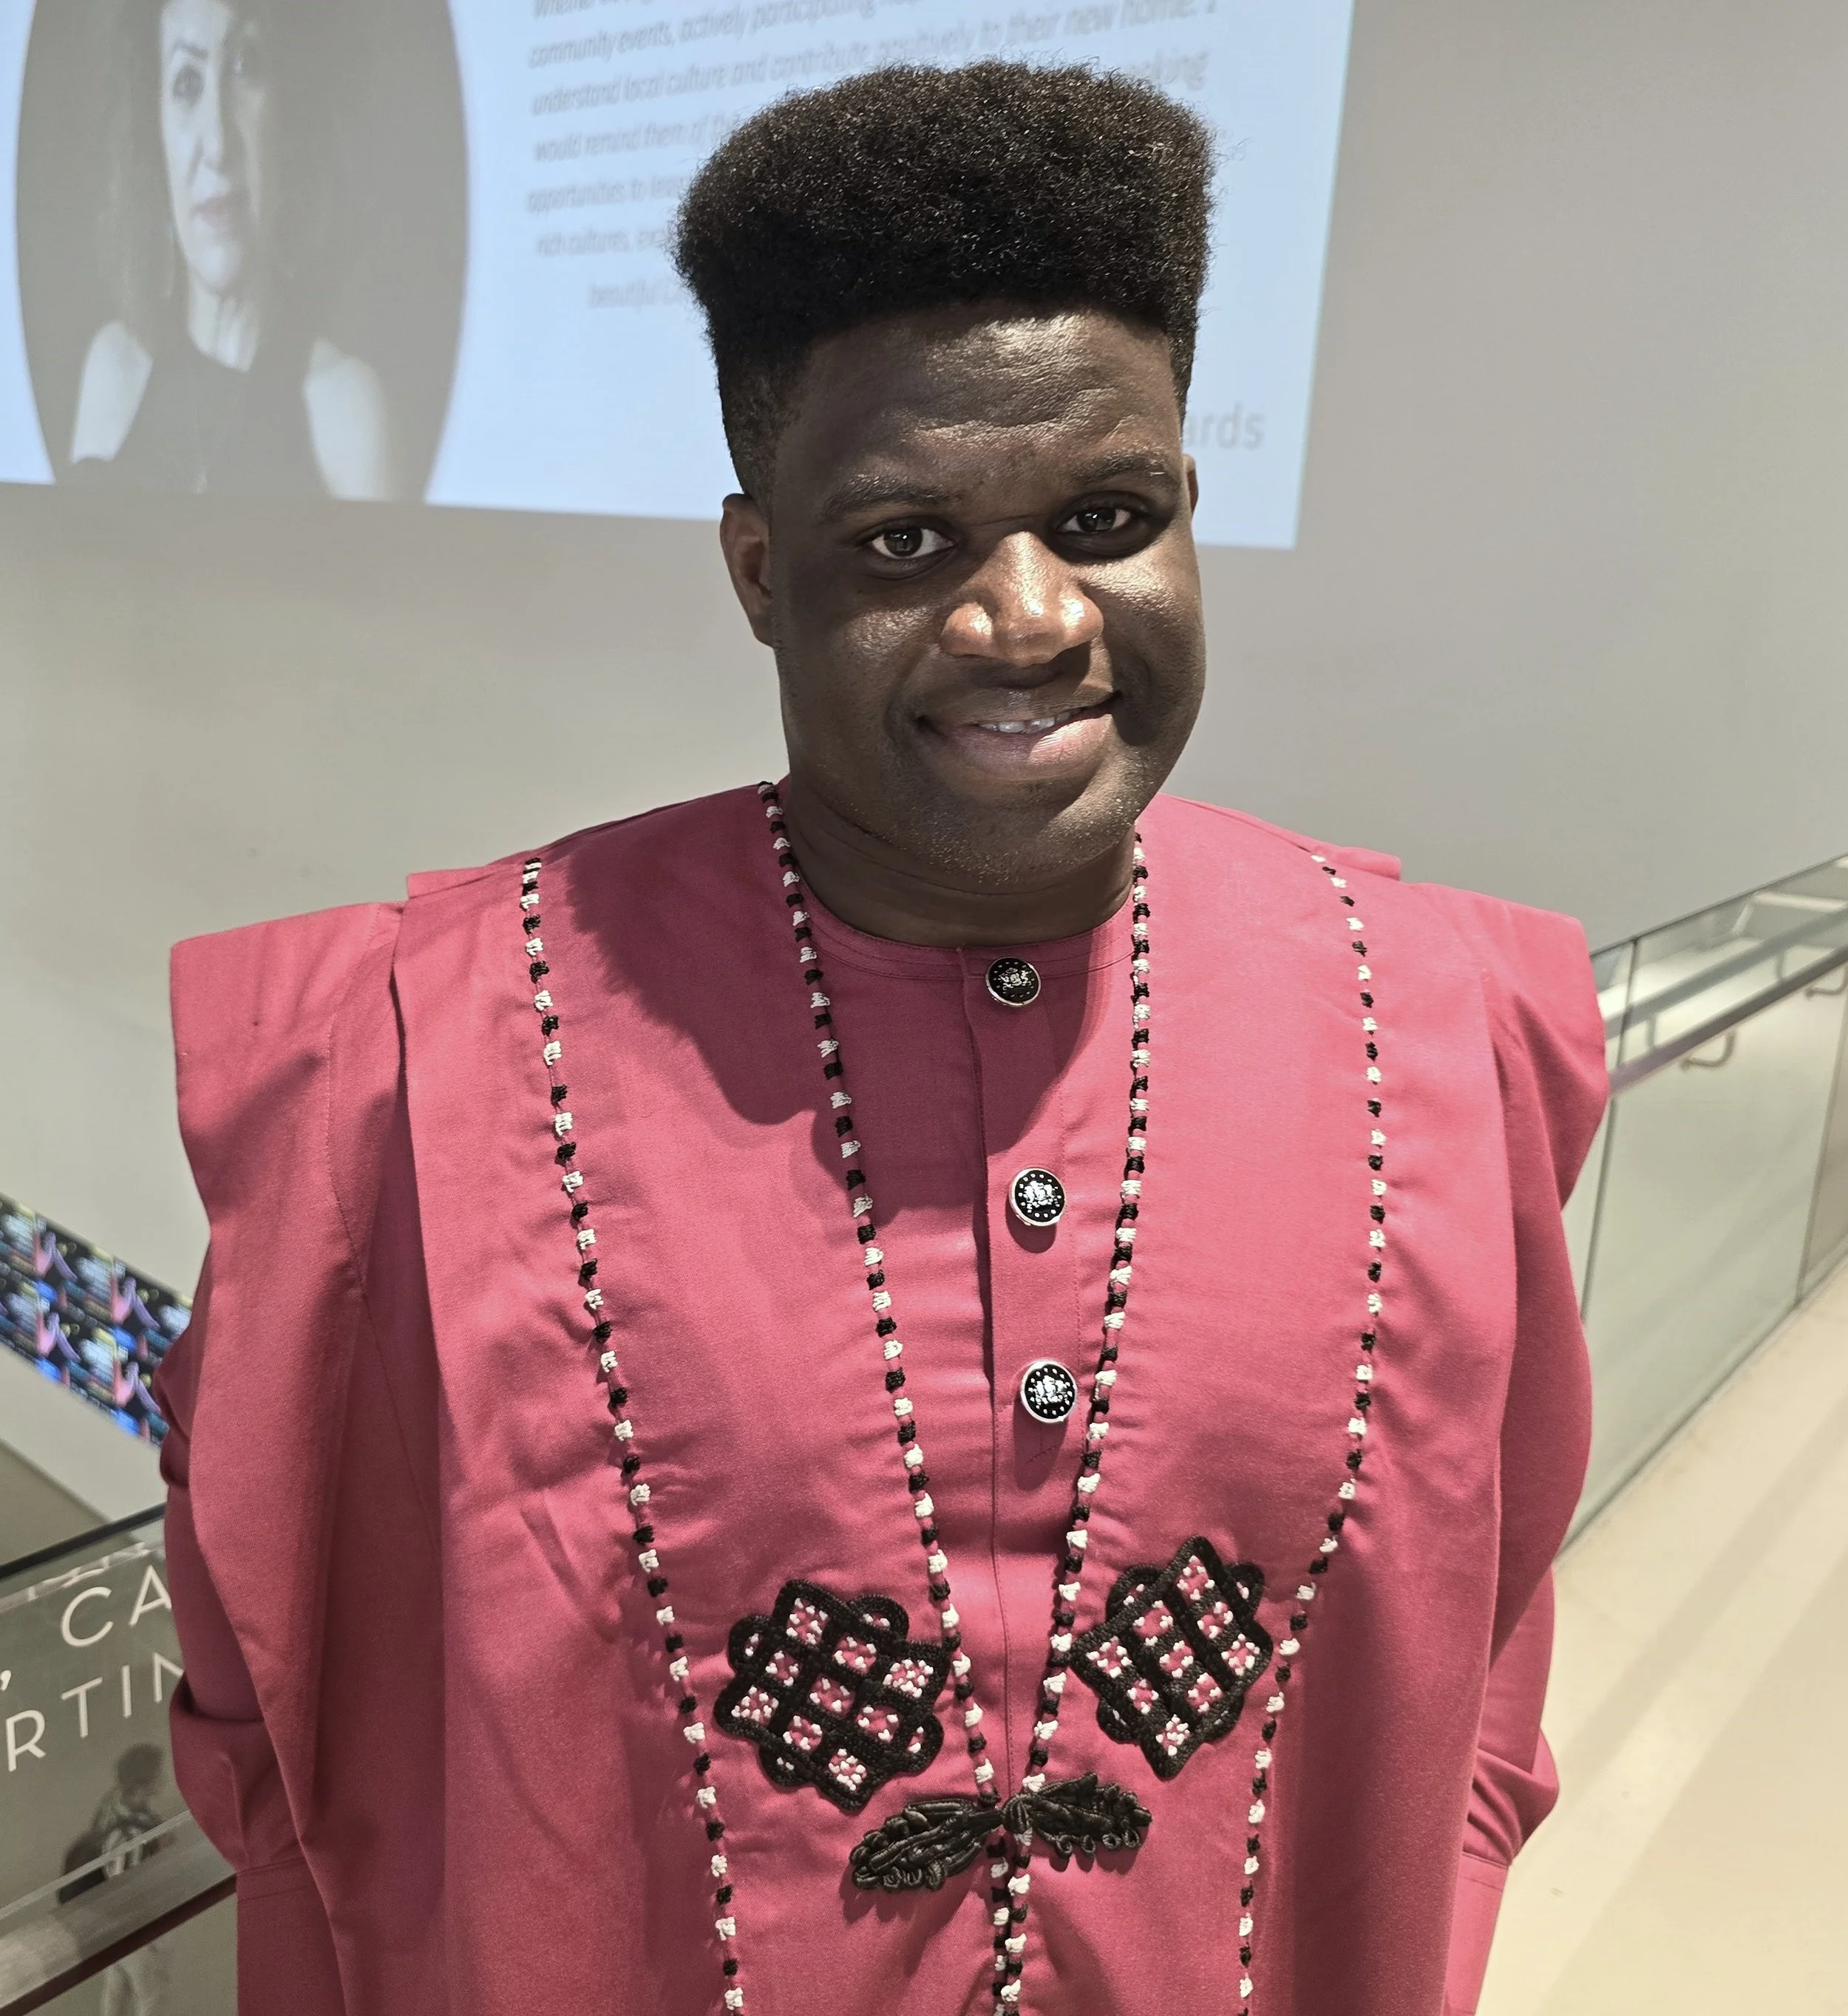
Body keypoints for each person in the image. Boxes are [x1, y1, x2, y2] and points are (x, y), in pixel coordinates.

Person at [154, 62, 1605, 2016]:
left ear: (1189, 513)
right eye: (907, 543)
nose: (1029, 618)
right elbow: (291, 1746)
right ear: (763, 572)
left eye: (1105, 518)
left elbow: (1469, 1687)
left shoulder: (1437, 1035)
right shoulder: (418, 1071)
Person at [67, 0, 395, 498]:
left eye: (245, 66)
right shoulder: (113, 372)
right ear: (154, 142)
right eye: (186, 84)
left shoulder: (346, 412)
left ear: (288, 122)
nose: (218, 144)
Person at [61, 1745, 172, 2015]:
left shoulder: (113, 1803)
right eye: (158, 1774)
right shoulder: (129, 1836)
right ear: (143, 1784)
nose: (164, 1778)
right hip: (129, 1927)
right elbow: (127, 1890)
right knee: (152, 1995)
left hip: (109, 1924)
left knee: (117, 1987)